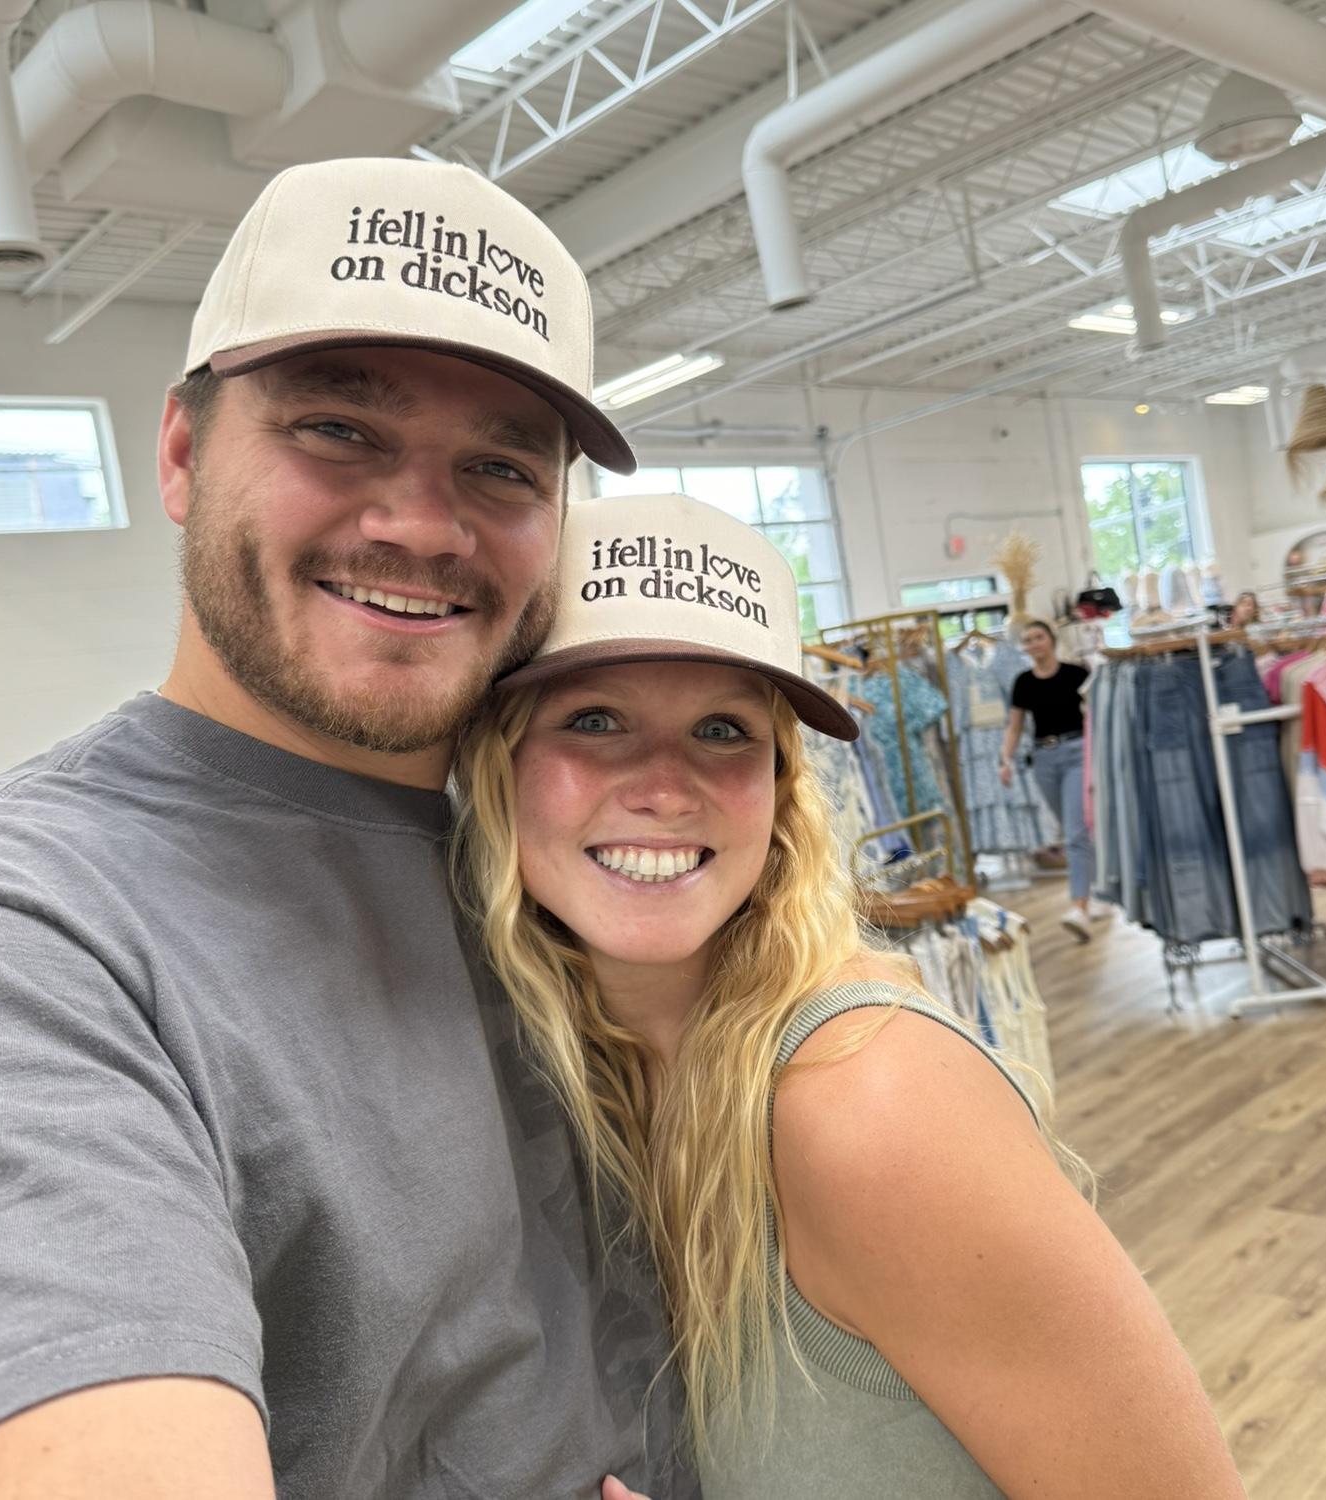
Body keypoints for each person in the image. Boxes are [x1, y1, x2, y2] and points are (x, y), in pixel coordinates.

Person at [0, 158, 688, 1500]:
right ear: (180, 453)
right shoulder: (22, 943)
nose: (419, 524)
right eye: (338, 428)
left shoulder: (564, 848)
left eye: (502, 464)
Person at [451, 491, 1248, 1499]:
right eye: (595, 720)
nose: (664, 784)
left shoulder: (866, 1096)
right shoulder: (577, 1079)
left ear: (781, 792)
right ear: (498, 768)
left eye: (720, 728)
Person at [998, 620, 1101, 941]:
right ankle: (1095, 888)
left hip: (1076, 754)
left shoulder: (1076, 674)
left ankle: (1079, 907)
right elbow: (1015, 726)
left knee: (1074, 832)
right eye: (1027, 639)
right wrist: (1005, 759)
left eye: (1038, 637)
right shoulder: (1023, 682)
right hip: (1044, 758)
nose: (1033, 643)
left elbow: (1096, 715)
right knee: (1072, 829)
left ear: (1051, 640)